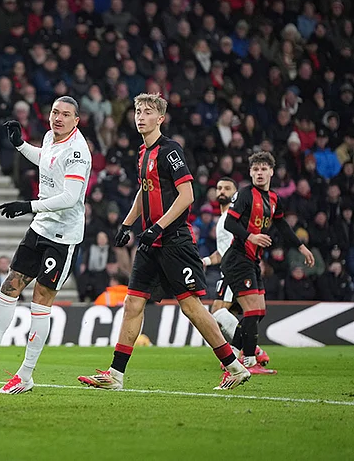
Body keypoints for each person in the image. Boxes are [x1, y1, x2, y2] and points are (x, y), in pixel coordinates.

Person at [78, 93, 251, 391]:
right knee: (132, 302)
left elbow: (187, 196)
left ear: (160, 118)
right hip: (151, 241)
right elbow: (144, 193)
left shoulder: (170, 151)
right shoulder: (142, 153)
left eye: (147, 112)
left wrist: (157, 227)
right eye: (137, 111)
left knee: (192, 307)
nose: (140, 117)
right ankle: (115, 375)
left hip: (174, 240)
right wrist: (127, 223)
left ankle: (234, 366)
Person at [0, 96, 91, 394]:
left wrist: (28, 205)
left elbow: (70, 198)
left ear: (76, 120)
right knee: (9, 286)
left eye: (65, 114)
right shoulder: (52, 137)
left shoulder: (78, 151)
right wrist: (21, 146)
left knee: (40, 300)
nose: (58, 118)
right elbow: (47, 161)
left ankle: (25, 375)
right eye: (54, 112)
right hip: (40, 228)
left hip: (62, 237)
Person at [219, 152, 315, 373]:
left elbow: (282, 226)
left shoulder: (273, 199)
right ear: (250, 172)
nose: (259, 173)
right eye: (255, 169)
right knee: (251, 312)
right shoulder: (244, 195)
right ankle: (249, 362)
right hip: (238, 258)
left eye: (263, 169)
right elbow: (230, 224)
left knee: (259, 311)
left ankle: (232, 356)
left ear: (271, 172)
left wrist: (301, 246)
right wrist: (251, 236)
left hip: (252, 260)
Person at [202, 178, 271, 368]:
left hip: (237, 270)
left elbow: (241, 246)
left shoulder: (233, 218)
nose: (222, 191)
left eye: (227, 188)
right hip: (230, 269)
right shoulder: (222, 219)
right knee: (234, 313)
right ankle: (246, 353)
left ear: (236, 194)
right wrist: (206, 261)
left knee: (219, 312)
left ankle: (251, 352)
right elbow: (223, 251)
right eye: (219, 188)